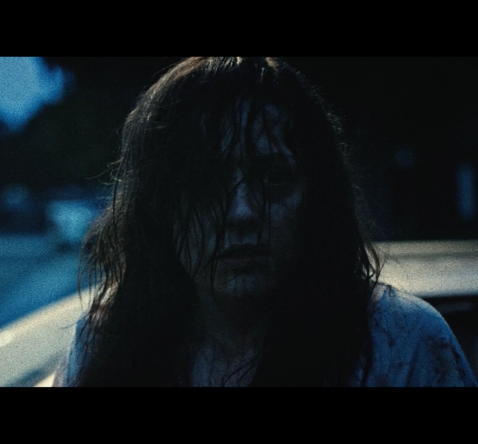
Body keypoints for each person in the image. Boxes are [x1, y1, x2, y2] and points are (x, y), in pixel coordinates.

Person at [53, 57, 477, 387]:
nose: (242, 212)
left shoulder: (401, 343)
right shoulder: (104, 344)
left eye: (274, 178)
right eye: (205, 184)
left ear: (314, 195)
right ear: (159, 205)